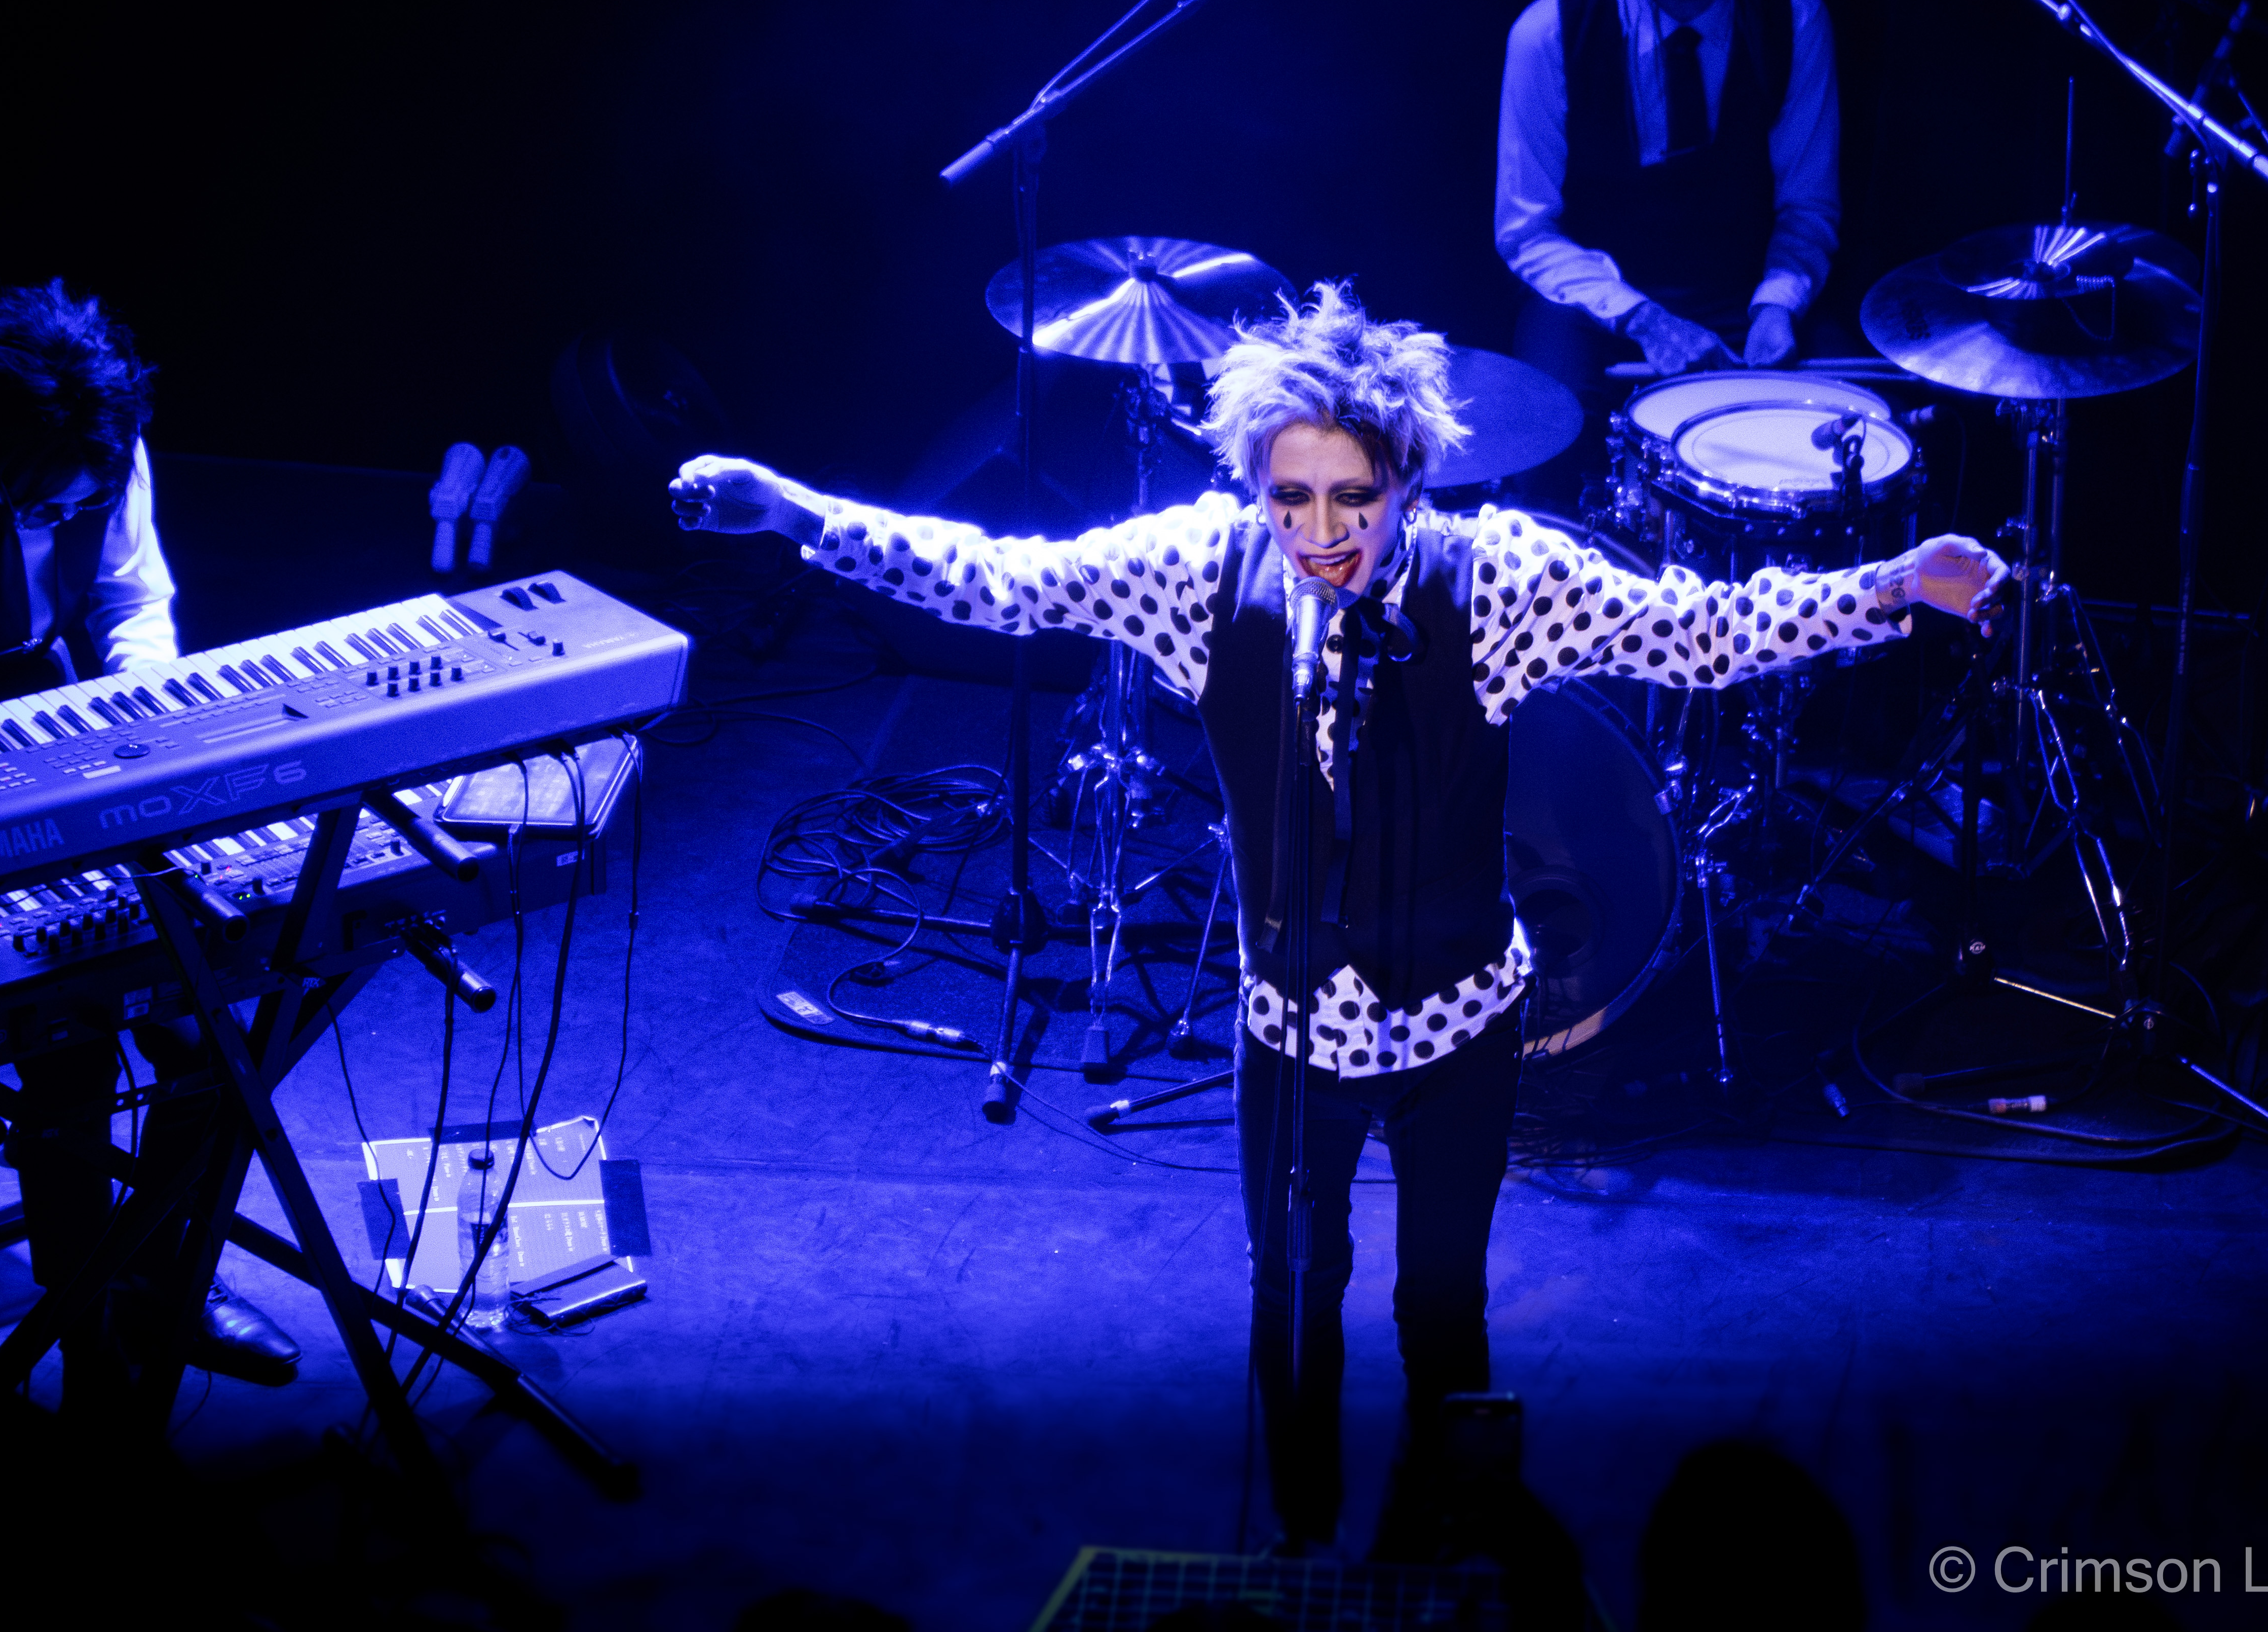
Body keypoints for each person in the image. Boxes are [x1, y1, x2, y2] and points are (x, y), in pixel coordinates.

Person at [670, 283, 2006, 1554]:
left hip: (1460, 1026)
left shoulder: (1499, 581)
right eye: (1291, 496)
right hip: (1290, 1031)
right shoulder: (1197, 572)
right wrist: (795, 511)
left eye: (1352, 497)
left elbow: (1698, 632)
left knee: (1442, 1299)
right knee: (1291, 1289)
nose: (1320, 532)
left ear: (1406, 479)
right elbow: (999, 578)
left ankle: (1450, 1528)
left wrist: (1889, 585)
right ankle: (1303, 1525)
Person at [0, 280, 300, 1413]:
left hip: (58, 705)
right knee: (69, 1048)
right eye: (40, 504)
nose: (67, 512)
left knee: (210, 1032)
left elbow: (128, 600)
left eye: (81, 497)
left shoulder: (100, 445)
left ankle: (164, 1274)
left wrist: (141, 722)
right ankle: (81, 1320)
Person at [1496, 0, 1841, 395]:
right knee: (1545, 414)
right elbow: (1526, 232)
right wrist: (1645, 320)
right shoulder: (1547, 34)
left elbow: (1808, 207)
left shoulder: (1797, 21)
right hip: (1592, 309)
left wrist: (1777, 306)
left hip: (1751, 303)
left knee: (1855, 415)